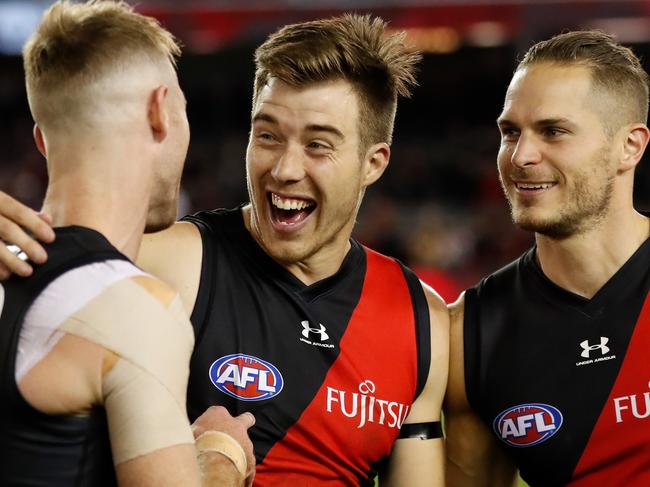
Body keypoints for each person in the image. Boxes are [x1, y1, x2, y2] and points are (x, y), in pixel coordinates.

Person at [0, 12, 449, 487]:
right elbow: (57, 267)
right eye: (267, 136)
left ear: (372, 163)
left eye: (318, 145)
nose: (284, 169)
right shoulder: (164, 262)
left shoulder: (422, 321)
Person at [0, 1, 254, 486]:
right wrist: (221, 454)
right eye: (183, 110)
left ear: (42, 140)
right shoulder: (137, 311)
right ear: (159, 111)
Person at [444, 30, 650, 486]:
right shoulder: (469, 333)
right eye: (510, 132)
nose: (521, 156)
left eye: (553, 131)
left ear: (629, 146)